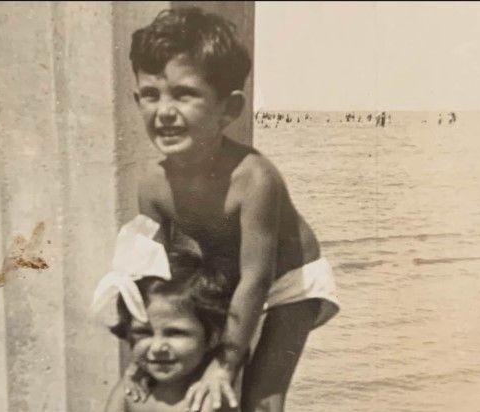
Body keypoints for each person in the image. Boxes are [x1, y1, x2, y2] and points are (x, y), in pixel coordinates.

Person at [124, 7, 340, 412]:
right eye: (151, 95)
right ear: (137, 99)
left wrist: (225, 364)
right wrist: (144, 354)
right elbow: (157, 281)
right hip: (228, 277)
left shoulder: (254, 178)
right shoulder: (153, 186)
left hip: (288, 280)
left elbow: (257, 279)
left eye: (184, 94)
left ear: (229, 108)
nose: (164, 111)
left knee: (260, 396)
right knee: (193, 387)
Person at [103, 250, 237, 412]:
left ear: (212, 337)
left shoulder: (210, 399)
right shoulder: (130, 392)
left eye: (175, 333)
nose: (157, 347)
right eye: (144, 333)